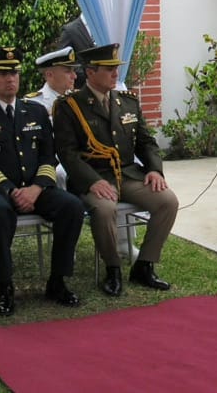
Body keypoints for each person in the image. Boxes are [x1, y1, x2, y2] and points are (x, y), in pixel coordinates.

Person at [0, 47, 85, 315]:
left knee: (71, 206)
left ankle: (58, 281)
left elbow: (48, 156)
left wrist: (37, 188)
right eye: (3, 73)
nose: (10, 78)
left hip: (35, 188)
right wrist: (11, 190)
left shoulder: (35, 112)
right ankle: (5, 286)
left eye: (14, 72)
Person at [53, 43, 177, 297]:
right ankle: (113, 269)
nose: (114, 74)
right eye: (108, 69)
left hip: (128, 174)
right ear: (90, 72)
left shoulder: (127, 102)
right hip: (94, 177)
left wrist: (154, 170)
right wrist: (92, 182)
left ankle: (144, 265)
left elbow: (146, 142)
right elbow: (68, 153)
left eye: (115, 69)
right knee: (105, 208)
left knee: (168, 201)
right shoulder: (70, 106)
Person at [26, 45, 79, 117]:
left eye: (74, 71)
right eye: (68, 71)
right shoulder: (34, 104)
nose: (74, 76)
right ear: (49, 75)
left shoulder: (78, 97)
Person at [57, 14, 95, 89]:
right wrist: (88, 74)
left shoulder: (103, 30)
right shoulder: (70, 30)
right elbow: (63, 61)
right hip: (80, 88)